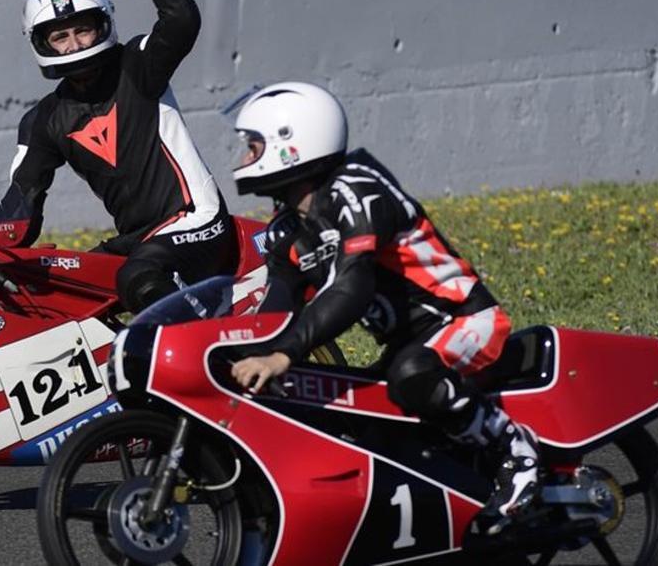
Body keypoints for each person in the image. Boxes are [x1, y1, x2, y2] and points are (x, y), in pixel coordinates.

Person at [227, 82, 540, 536]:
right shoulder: (286, 230)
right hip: (407, 343)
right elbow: (275, 310)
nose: (243, 158)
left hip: (465, 320)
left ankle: (514, 449)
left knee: (412, 374)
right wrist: (231, 354)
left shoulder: (359, 188)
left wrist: (282, 355)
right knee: (362, 423)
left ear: (290, 145)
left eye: (253, 146)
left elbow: (352, 287)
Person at [0, 0, 236, 312]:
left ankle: (190, 362)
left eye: (82, 29)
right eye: (60, 36)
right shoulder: (44, 121)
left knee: (139, 279)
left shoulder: (138, 66)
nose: (74, 44)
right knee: (45, 290)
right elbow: (22, 209)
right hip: (138, 241)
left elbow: (181, 20)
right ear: (41, 43)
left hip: (197, 222)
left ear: (103, 24)